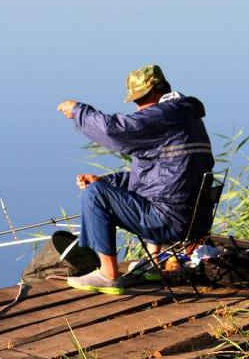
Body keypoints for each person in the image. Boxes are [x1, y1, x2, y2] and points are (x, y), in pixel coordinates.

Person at [57, 64, 214, 295]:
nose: (138, 108)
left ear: (156, 91)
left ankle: (108, 275)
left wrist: (79, 111)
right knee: (102, 187)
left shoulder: (164, 115)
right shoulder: (187, 117)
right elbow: (160, 176)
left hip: (169, 220)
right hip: (194, 221)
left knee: (95, 195)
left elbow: (114, 130)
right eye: (135, 101)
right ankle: (155, 261)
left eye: (141, 99)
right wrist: (106, 180)